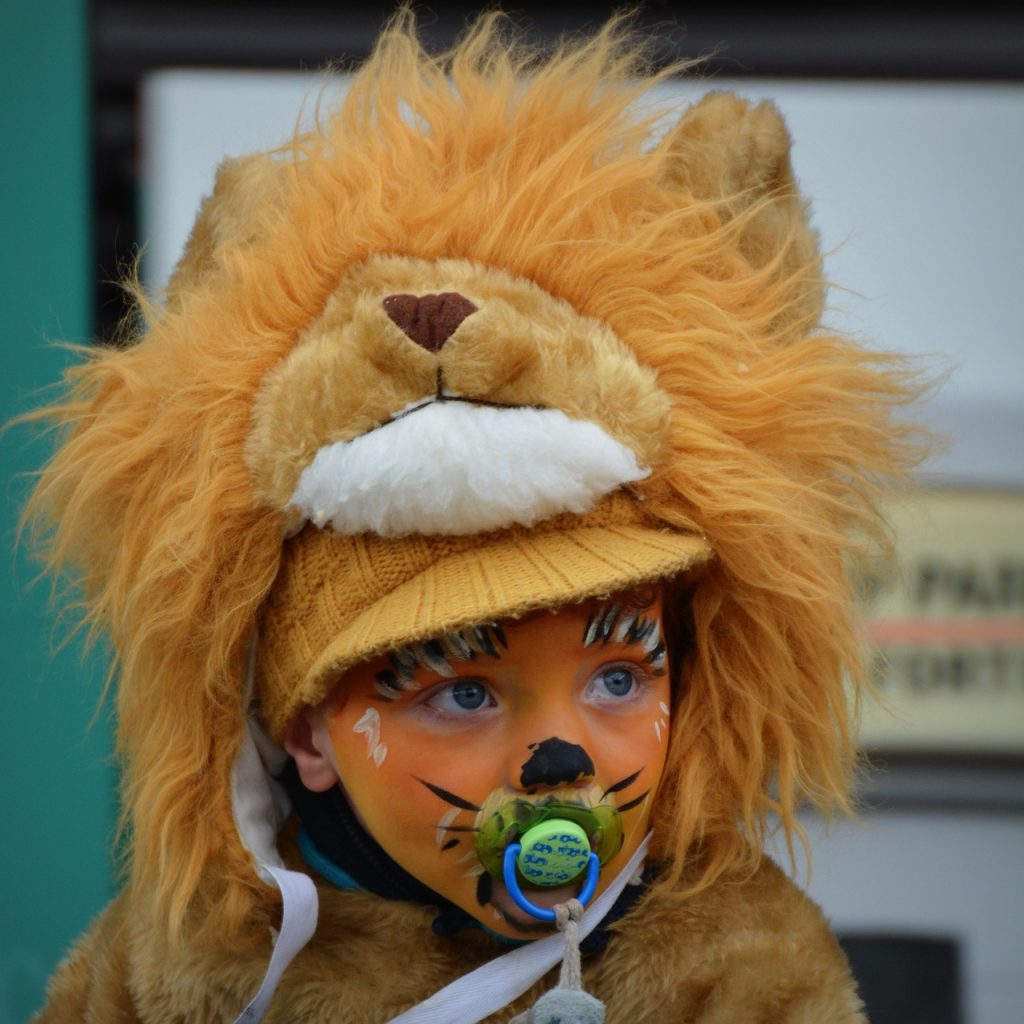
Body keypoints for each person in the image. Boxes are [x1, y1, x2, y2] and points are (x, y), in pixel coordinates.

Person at [24, 11, 924, 1022]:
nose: (561, 756)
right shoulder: (175, 968)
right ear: (308, 729)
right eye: (462, 692)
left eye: (621, 675)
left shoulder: (737, 963)